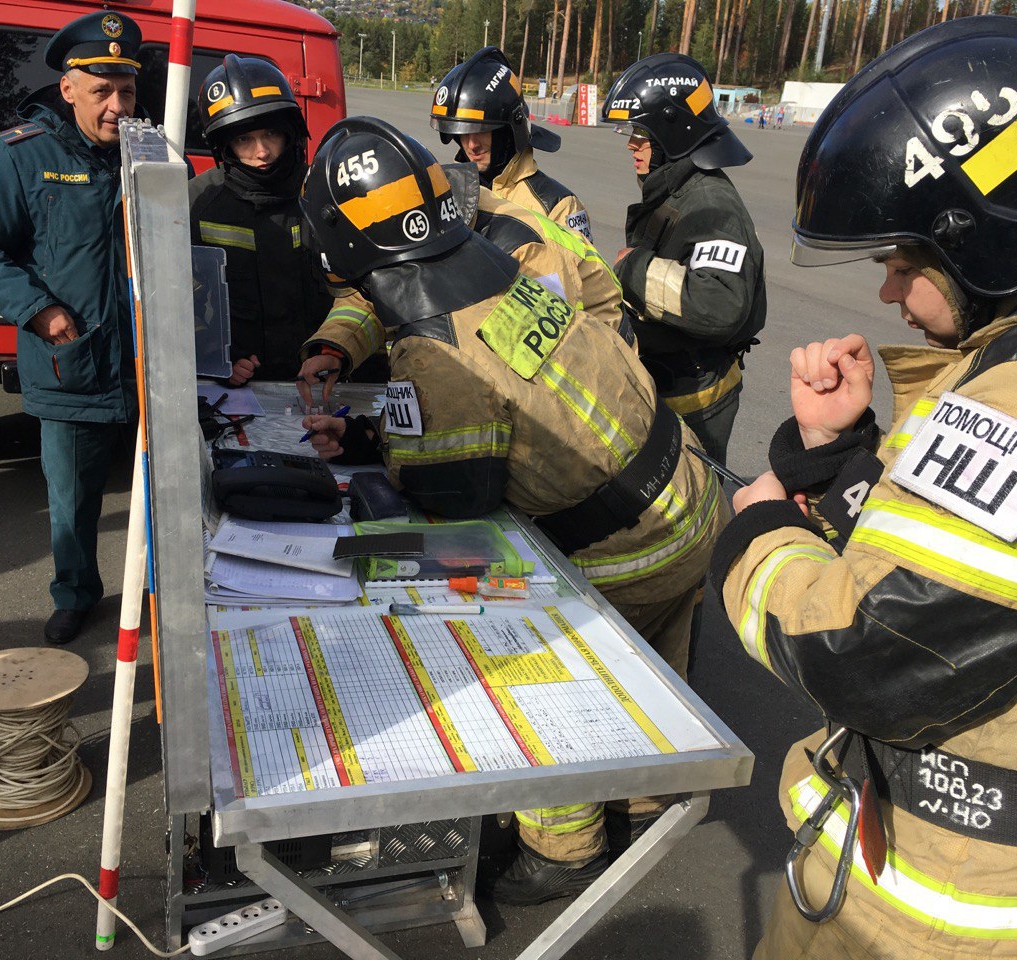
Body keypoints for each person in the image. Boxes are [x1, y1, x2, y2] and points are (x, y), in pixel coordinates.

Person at [710, 17, 1017, 960]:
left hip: (944, 903)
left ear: (989, 239)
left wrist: (761, 529)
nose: (887, 294)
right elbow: (961, 571)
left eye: (903, 263)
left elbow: (868, 651)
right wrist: (838, 456)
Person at [297, 117, 727, 904]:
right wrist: (377, 426)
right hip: (688, 499)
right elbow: (508, 401)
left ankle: (564, 849)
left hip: (624, 547)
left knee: (529, 665)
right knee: (651, 666)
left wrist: (381, 450)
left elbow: (456, 494)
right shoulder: (503, 264)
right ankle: (639, 798)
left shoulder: (430, 348)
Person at [0, 11, 145, 645]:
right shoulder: (22, 155)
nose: (117, 107)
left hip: (148, 358)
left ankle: (157, 589)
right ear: (68, 88)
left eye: (127, 91)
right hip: (72, 357)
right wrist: (38, 309)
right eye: (101, 91)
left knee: (160, 488)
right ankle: (75, 594)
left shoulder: (152, 155)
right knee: (73, 496)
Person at [296, 161, 634, 406]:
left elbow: (527, 380)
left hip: (601, 389)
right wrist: (335, 348)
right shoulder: (421, 214)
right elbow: (377, 293)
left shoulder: (525, 253)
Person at [602, 53, 766, 464]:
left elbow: (720, 302)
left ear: (672, 131)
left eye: (641, 132)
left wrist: (633, 267)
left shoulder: (711, 202)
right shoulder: (678, 188)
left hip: (696, 397)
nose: (631, 143)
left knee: (696, 495)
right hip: (672, 379)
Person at [188, 55, 333, 386]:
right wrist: (214, 355)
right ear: (224, 145)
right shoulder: (198, 204)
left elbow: (356, 293)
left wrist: (338, 352)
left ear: (290, 132)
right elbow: (179, 300)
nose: (263, 151)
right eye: (244, 139)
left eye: (271, 133)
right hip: (239, 388)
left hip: (323, 379)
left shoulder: (324, 193)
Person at [430, 46, 593, 241]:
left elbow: (580, 262)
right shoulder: (446, 190)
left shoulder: (559, 207)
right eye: (462, 134)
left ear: (508, 131)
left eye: (481, 131)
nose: (472, 145)